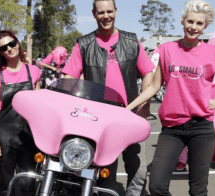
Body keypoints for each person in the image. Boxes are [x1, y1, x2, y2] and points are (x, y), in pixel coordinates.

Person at [127, 1, 215, 195]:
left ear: (205, 26)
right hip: (172, 128)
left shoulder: (213, 52)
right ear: (183, 22)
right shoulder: (167, 49)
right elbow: (155, 86)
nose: (193, 27)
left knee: (198, 190)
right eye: (190, 21)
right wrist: (130, 106)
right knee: (156, 186)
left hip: (202, 127)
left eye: (199, 23)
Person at [62, 0, 155, 195]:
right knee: (105, 175)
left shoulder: (131, 41)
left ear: (116, 11)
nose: (106, 16)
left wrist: (145, 106)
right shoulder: (84, 44)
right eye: (101, 12)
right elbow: (68, 79)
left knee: (138, 172)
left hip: (132, 117)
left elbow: (148, 73)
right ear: (94, 14)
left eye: (109, 11)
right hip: (99, 122)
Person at [0, 30, 41, 196]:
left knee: (28, 184)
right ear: (1, 53)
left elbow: (39, 107)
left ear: (18, 43)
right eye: (4, 47)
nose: (9, 49)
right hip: (4, 136)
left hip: (28, 136)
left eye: (11, 44)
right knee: (6, 185)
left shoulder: (34, 71)